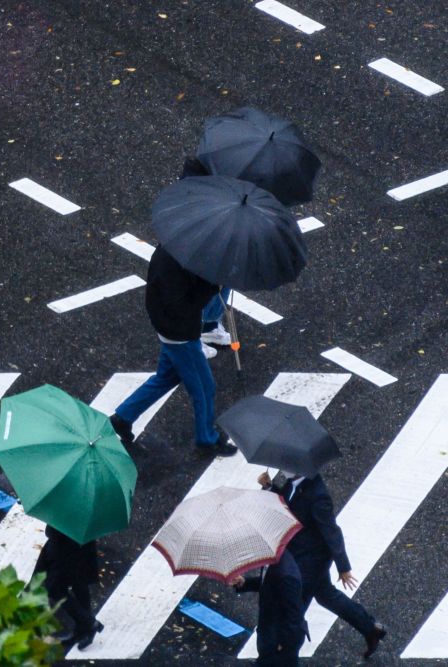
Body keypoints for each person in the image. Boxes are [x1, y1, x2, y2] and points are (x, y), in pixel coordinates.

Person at [109, 243, 237, 456]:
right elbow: (186, 304)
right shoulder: (179, 263)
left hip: (169, 327)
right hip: (180, 334)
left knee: (166, 378)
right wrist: (212, 286)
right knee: (204, 388)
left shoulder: (171, 250)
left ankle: (123, 417)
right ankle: (207, 439)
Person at [259, 470, 387, 659]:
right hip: (302, 555)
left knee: (293, 608)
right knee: (326, 596)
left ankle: (283, 654)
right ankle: (370, 628)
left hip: (310, 562)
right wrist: (270, 487)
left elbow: (332, 531)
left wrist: (343, 567)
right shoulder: (292, 484)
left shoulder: (318, 495)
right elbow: (287, 507)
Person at [180, 156, 231, 359]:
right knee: (203, 283)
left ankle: (209, 324)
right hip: (204, 230)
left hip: (222, 227)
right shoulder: (202, 164)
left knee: (226, 277)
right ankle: (192, 334)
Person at [231, 549, 307, 666]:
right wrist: (244, 583)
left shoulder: (286, 576)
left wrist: (285, 644)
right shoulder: (273, 561)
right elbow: (268, 583)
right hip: (271, 636)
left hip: (279, 643)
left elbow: (294, 615)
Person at [33, 525, 103, 650]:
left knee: (54, 588)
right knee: (79, 582)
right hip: (77, 539)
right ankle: (84, 629)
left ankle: (88, 623)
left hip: (63, 544)